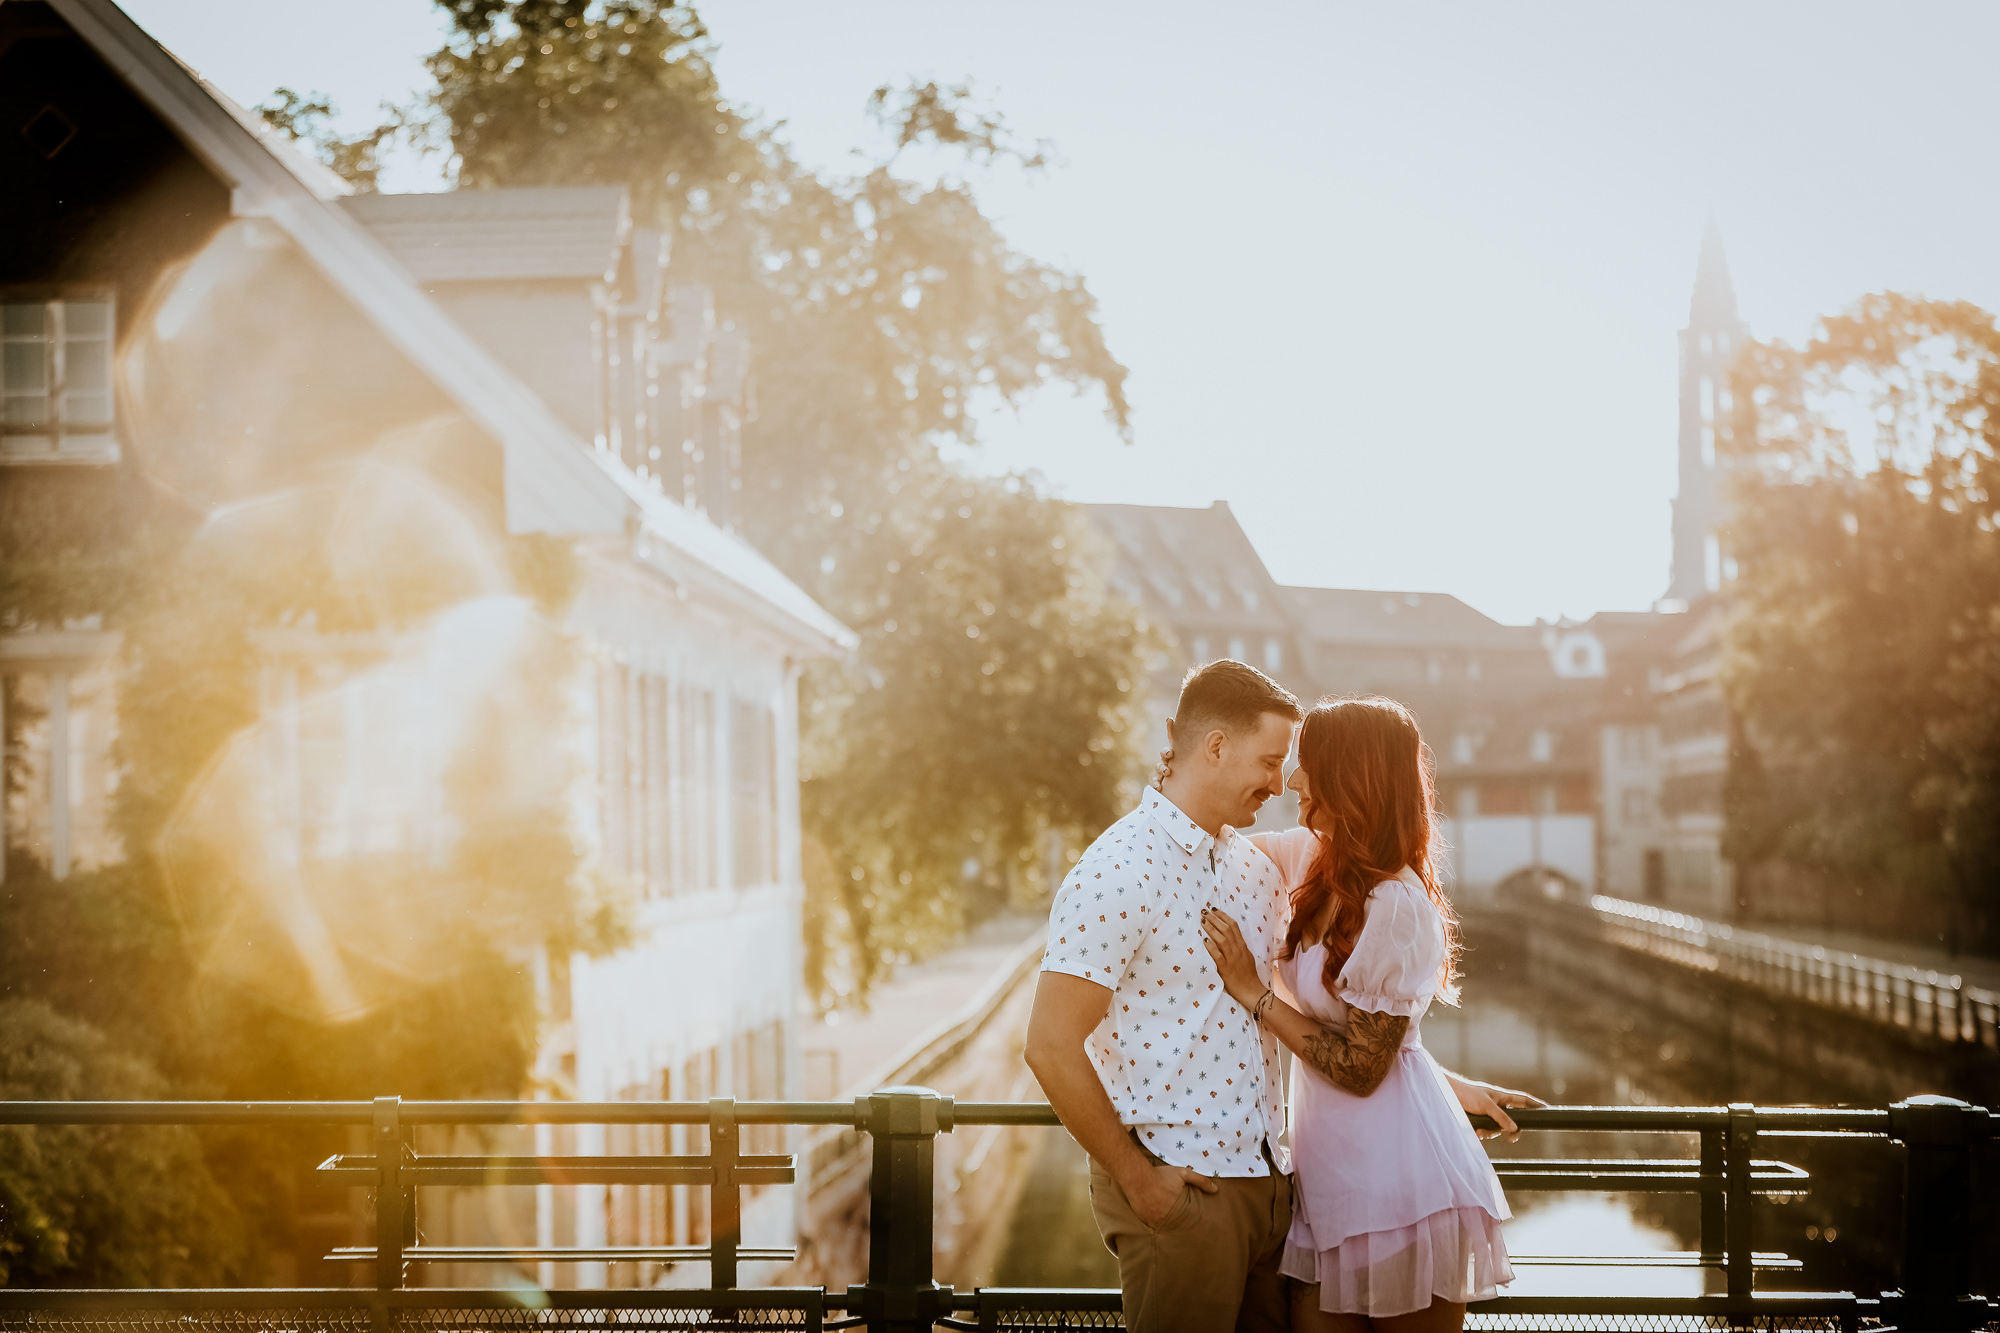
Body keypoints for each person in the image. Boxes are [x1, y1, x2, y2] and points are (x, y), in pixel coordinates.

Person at [1201, 695, 1533, 1332]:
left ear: (1352, 779)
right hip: (1328, 1181)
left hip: (1399, 1187)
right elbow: (1209, 840)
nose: (1291, 780)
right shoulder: (1311, 860)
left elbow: (1361, 1067)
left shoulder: (1398, 905)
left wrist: (1255, 994)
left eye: (1308, 766)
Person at [1026, 659, 1304, 1333]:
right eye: (1269, 761)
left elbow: (1312, 1012)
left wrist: (1431, 1079)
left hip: (1271, 1193)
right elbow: (1050, 1046)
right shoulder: (1118, 868)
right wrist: (1141, 1180)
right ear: (1214, 747)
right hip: (1184, 1192)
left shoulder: (1254, 870)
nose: (1280, 782)